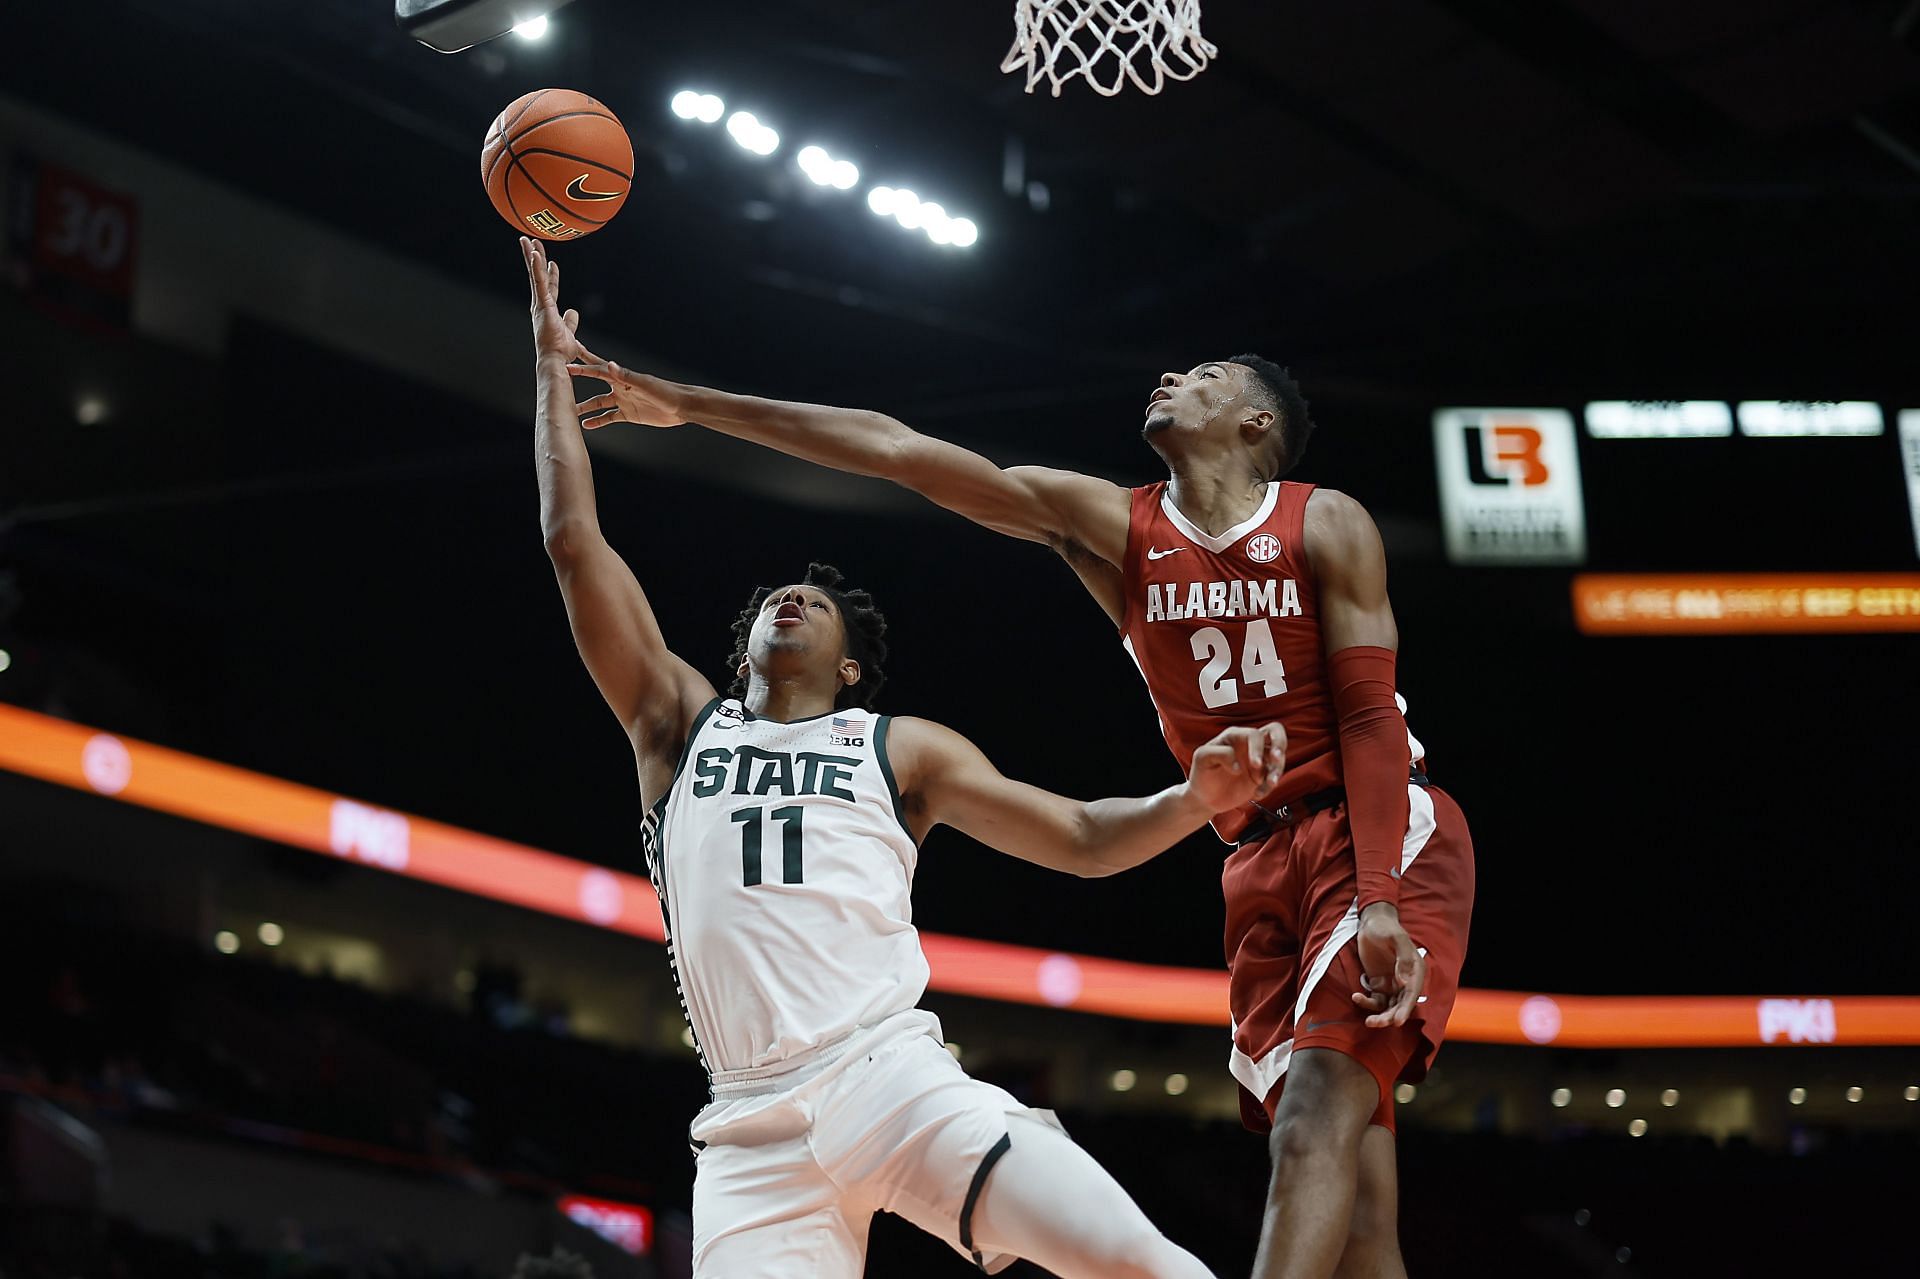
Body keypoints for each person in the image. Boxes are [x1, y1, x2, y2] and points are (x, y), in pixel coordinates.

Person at [562, 344, 1476, 1279]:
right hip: (1253, 857)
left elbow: (1368, 713)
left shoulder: (1323, 519)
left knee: (1308, 1131)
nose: (1168, 379)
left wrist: (1378, 901)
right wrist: (684, 402)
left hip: (1371, 830)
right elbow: (898, 452)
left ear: (1257, 423)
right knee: (1361, 1213)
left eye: (1203, 376)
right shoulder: (1115, 527)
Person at [521, 237, 1280, 1279]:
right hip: (749, 1133)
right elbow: (573, 538)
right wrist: (547, 367)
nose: (792, 599)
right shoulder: (676, 722)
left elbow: (1080, 837)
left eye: (818, 603)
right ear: (743, 643)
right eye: (777, 600)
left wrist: (1193, 798)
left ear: (845, 670)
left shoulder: (895, 746)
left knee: (1142, 1264)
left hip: (891, 1076)